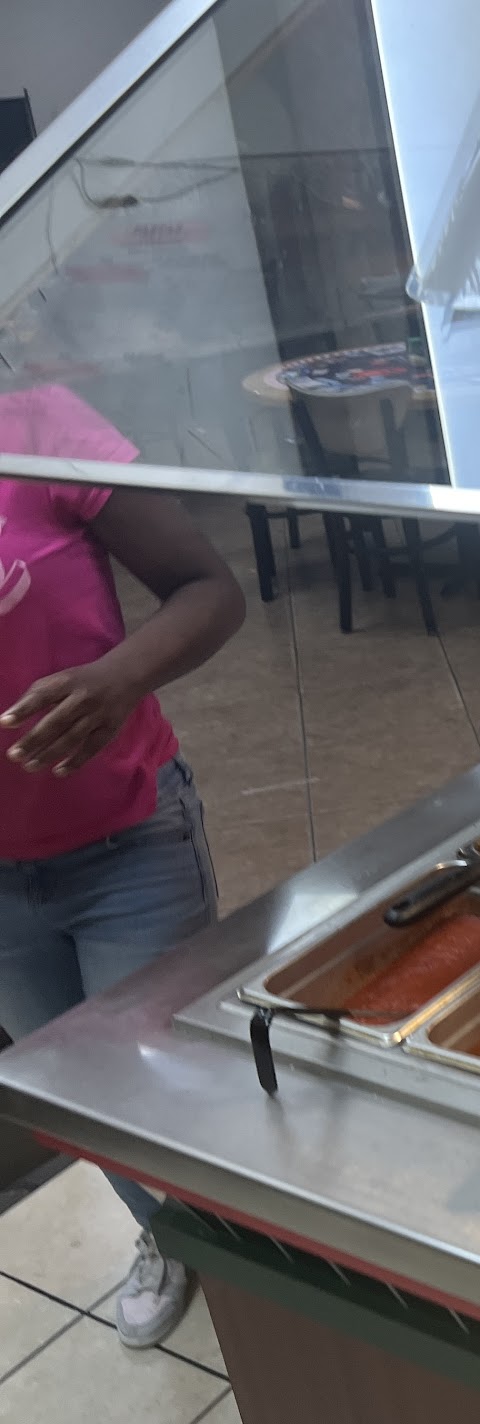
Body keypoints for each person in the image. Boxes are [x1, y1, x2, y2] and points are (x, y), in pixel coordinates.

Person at [0, 383, 246, 1347]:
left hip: (126, 843)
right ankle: (168, 1235)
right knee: (87, 1100)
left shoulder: (35, 425)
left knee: (173, 1085)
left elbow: (210, 589)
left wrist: (119, 678)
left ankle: (260, 1261)